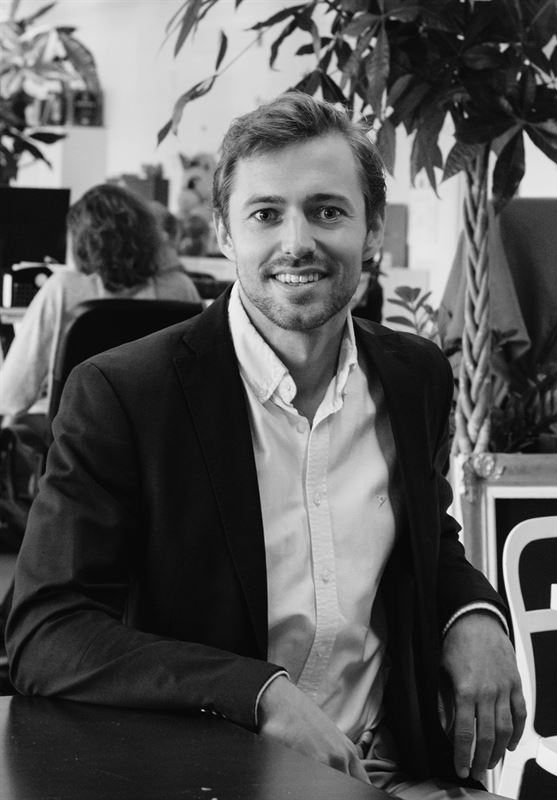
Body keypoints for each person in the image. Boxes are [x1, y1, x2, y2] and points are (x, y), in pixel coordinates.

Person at [5, 94, 525, 799]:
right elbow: (47, 631)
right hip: (211, 777)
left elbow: (426, 540)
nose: (296, 241)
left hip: (385, 769)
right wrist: (258, 693)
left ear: (371, 229)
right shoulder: (124, 395)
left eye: (327, 211)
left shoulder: (415, 375)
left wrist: (474, 616)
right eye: (265, 214)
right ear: (225, 232)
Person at [0, 183, 201, 426]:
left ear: (80, 240)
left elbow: (11, 396)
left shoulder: (63, 288)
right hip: (160, 441)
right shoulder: (180, 288)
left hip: (78, 441)